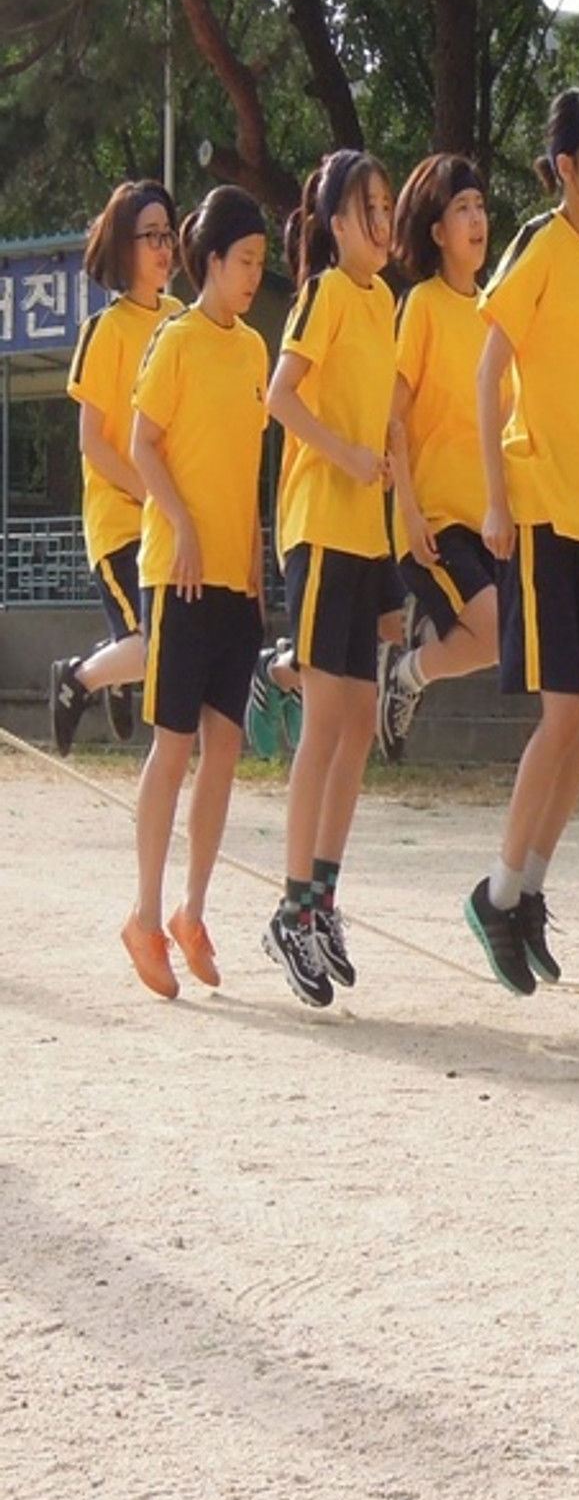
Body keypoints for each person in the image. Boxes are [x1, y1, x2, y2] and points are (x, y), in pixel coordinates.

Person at [463, 87, 579, 996]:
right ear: (563, 166)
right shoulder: (538, 243)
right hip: (533, 505)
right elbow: (492, 369)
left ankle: (526, 891)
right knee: (566, 713)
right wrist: (495, 497)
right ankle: (498, 892)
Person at [122, 187, 269, 997]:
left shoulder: (253, 350)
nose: (254, 277)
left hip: (232, 583)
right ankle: (143, 915)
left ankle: (192, 909)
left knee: (227, 748)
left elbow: (248, 471)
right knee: (172, 747)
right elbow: (142, 443)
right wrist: (177, 524)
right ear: (210, 261)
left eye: (260, 264)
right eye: (245, 262)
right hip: (174, 575)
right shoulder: (172, 341)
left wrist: (253, 561)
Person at [263, 150, 399, 1008]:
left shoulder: (387, 300)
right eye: (368, 208)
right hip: (316, 527)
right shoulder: (322, 294)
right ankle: (288, 910)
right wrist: (346, 452)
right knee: (324, 720)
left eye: (388, 204)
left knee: (355, 724)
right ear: (336, 224)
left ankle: (320, 901)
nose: (383, 219)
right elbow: (280, 397)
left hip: (366, 535)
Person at [375, 152, 498, 762]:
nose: (477, 220)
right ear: (436, 231)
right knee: (500, 626)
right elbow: (391, 416)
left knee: (509, 639)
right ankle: (409, 669)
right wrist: (412, 513)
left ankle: (410, 667)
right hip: (435, 521)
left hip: (490, 520)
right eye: (462, 209)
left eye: (480, 207)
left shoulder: (496, 310)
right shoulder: (421, 304)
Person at [53, 180, 183, 755]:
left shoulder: (182, 321)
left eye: (168, 235)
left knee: (170, 641)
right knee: (157, 644)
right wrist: (151, 494)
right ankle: (79, 678)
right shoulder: (103, 331)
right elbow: (93, 443)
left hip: (170, 520)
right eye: (149, 236)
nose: (163, 247)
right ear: (123, 247)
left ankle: (111, 666)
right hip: (121, 525)